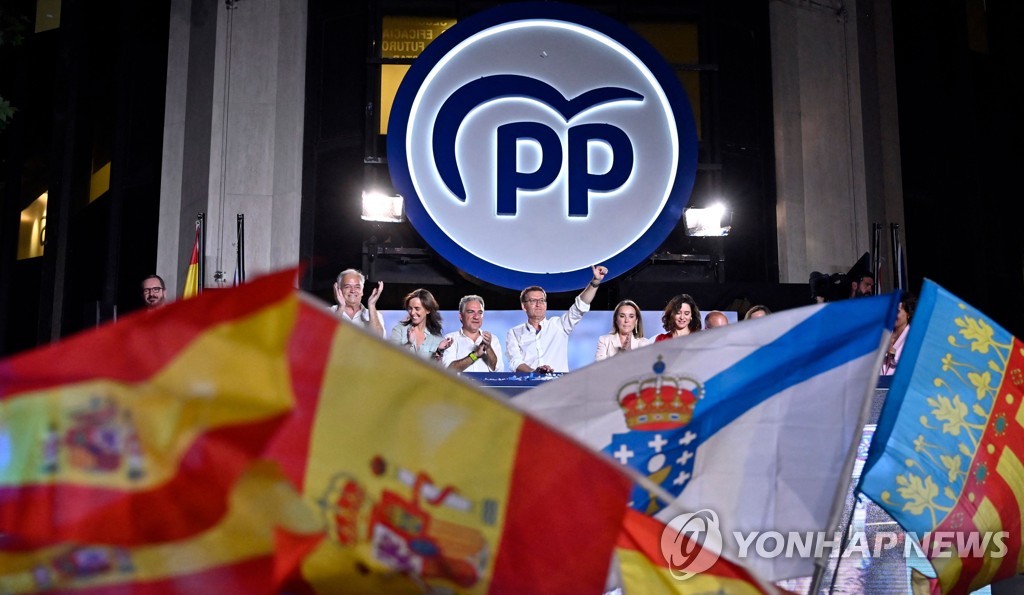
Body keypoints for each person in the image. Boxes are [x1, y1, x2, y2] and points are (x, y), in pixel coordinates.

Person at [506, 265, 608, 374]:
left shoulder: (558, 325)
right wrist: (534, 372)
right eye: (533, 301)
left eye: (542, 300)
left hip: (559, 385)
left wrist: (595, 282)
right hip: (529, 386)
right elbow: (514, 362)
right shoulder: (514, 333)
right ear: (523, 306)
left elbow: (579, 307)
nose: (538, 304)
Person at [442, 295, 504, 372]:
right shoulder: (450, 339)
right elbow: (448, 370)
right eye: (471, 312)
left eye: (480, 312)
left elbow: (498, 370)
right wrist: (475, 355)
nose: (476, 317)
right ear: (461, 316)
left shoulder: (493, 339)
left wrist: (488, 348)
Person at [390, 288, 452, 361]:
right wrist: (409, 343)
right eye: (410, 308)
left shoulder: (436, 336)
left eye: (417, 308)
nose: (412, 313)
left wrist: (439, 351)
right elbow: (392, 357)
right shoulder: (399, 330)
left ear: (428, 310)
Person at [332, 268, 385, 337]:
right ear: (339, 290)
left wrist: (371, 305)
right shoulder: (327, 312)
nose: (353, 290)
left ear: (362, 291)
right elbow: (326, 337)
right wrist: (341, 307)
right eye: (347, 286)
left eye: (357, 287)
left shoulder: (375, 315)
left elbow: (379, 340)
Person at [881, 292, 916, 375]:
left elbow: (911, 365)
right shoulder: (883, 333)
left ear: (909, 313)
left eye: (897, 311)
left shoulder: (913, 338)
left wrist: (893, 355)